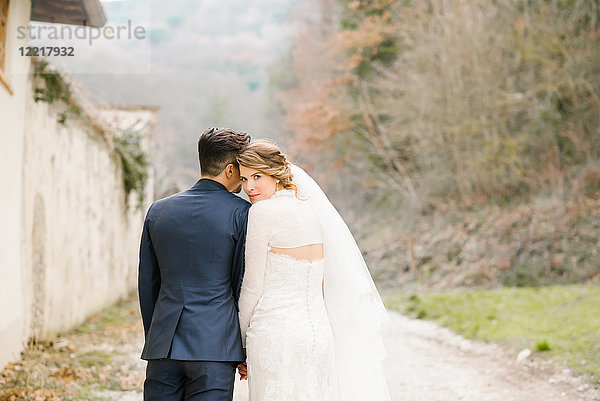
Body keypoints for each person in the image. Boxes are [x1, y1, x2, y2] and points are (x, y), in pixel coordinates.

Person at [236, 140, 391, 401]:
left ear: (275, 174)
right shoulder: (312, 210)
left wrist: (239, 345)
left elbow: (252, 288)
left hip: (274, 335)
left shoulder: (261, 212)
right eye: (243, 179)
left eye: (257, 176)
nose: (249, 187)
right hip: (318, 335)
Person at [138, 127, 251, 401]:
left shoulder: (158, 210)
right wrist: (243, 349)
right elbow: (242, 285)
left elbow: (148, 284)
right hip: (215, 346)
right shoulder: (242, 213)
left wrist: (156, 338)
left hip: (163, 346)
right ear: (230, 170)